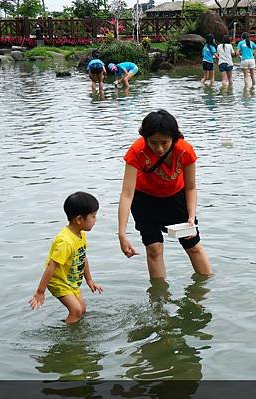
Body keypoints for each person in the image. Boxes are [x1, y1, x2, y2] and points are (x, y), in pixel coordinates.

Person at [118, 110, 212, 280]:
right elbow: (127, 193)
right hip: (144, 200)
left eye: (164, 142)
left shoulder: (185, 151)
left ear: (174, 139)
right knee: (154, 249)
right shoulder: (137, 151)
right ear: (145, 138)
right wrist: (122, 234)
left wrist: (191, 217)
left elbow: (190, 187)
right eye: (153, 143)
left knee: (193, 245)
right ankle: (159, 299)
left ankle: (208, 291)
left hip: (176, 198)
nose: (159, 148)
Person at [29, 192, 103, 325]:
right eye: (93, 216)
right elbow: (52, 266)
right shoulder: (65, 241)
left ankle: (72, 328)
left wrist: (89, 280)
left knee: (82, 309)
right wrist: (40, 292)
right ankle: (70, 340)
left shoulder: (80, 235)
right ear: (79, 219)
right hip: (58, 281)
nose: (95, 219)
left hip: (70, 280)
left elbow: (82, 257)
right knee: (76, 310)